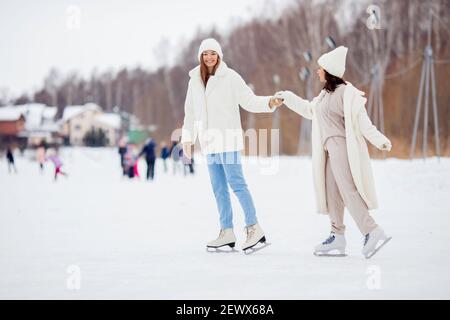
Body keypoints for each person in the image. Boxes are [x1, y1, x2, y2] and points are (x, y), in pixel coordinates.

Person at [275, 46, 392, 259]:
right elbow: (308, 110)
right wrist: (288, 97)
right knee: (332, 193)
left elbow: (364, 123)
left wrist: (380, 141)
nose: (318, 71)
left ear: (329, 70)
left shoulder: (348, 93)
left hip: (342, 146)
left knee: (348, 190)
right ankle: (337, 235)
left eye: (320, 68)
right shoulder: (323, 96)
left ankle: (372, 230)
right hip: (328, 150)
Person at [181, 38, 283, 252]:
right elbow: (190, 113)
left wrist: (269, 102)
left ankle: (254, 227)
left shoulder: (230, 77)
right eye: (205, 53)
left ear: (219, 55)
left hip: (227, 140)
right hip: (208, 143)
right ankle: (226, 231)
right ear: (201, 56)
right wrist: (188, 138)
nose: (209, 57)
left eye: (213, 53)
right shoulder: (194, 81)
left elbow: (249, 100)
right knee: (219, 189)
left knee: (237, 184)